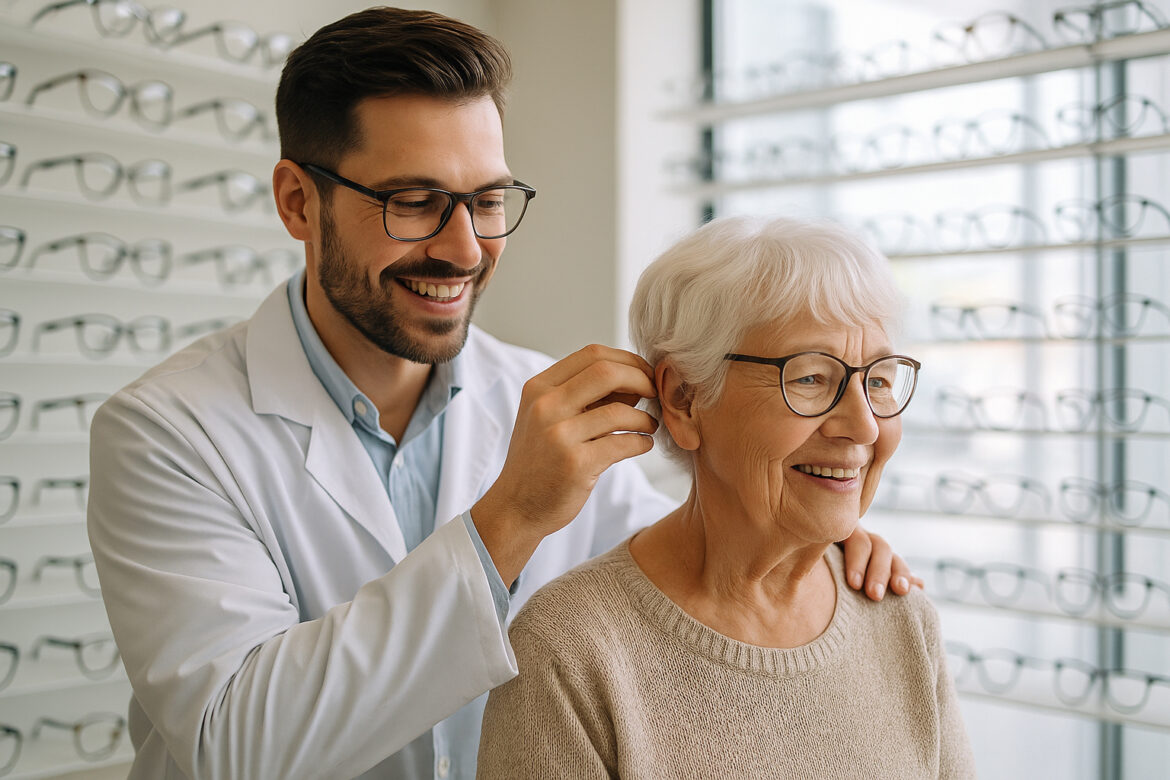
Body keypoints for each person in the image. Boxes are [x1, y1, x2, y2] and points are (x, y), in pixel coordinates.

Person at [86, 8, 917, 780]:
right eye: (414, 203)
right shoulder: (167, 433)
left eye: (487, 201)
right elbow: (235, 743)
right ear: (300, 203)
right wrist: (510, 517)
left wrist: (812, 538)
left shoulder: (537, 397)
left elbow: (678, 576)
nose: (464, 249)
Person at [477, 215, 975, 778]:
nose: (862, 426)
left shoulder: (903, 619)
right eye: (811, 378)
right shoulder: (568, 655)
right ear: (686, 400)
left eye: (878, 379)